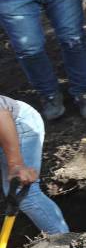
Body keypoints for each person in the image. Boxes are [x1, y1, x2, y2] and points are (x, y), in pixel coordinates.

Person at [0, 95, 69, 235]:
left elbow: (1, 114)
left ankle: (62, 244)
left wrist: (16, 164)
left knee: (24, 193)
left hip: (15, 124)